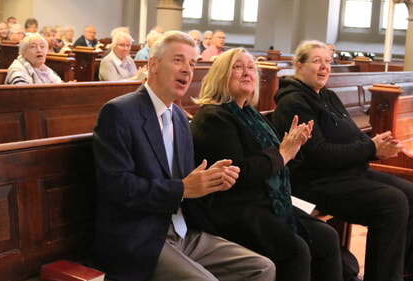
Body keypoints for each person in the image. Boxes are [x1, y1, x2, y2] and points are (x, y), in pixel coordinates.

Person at [91, 30, 275, 281]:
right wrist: (183, 189)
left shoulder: (179, 116)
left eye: (192, 63)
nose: (188, 70)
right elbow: (118, 187)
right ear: (153, 65)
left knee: (262, 267)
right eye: (178, 60)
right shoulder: (120, 112)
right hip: (139, 236)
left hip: (183, 230)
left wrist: (213, 180)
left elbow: (188, 182)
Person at [269, 40, 413, 281]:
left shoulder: (328, 96)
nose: (324, 67)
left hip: (346, 173)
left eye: (328, 61)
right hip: (316, 182)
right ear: (299, 66)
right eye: (316, 61)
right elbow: (319, 154)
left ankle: (410, 273)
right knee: (392, 202)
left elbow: (353, 136)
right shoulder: (293, 102)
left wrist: (377, 146)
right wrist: (369, 148)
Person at [190, 47, 343, 281]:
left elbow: (279, 158)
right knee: (296, 251)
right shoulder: (214, 117)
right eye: (237, 67)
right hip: (236, 209)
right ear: (220, 75)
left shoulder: (250, 114)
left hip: (265, 202)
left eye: (251, 68)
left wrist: (294, 147)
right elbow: (239, 173)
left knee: (326, 237)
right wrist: (283, 153)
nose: (246, 72)